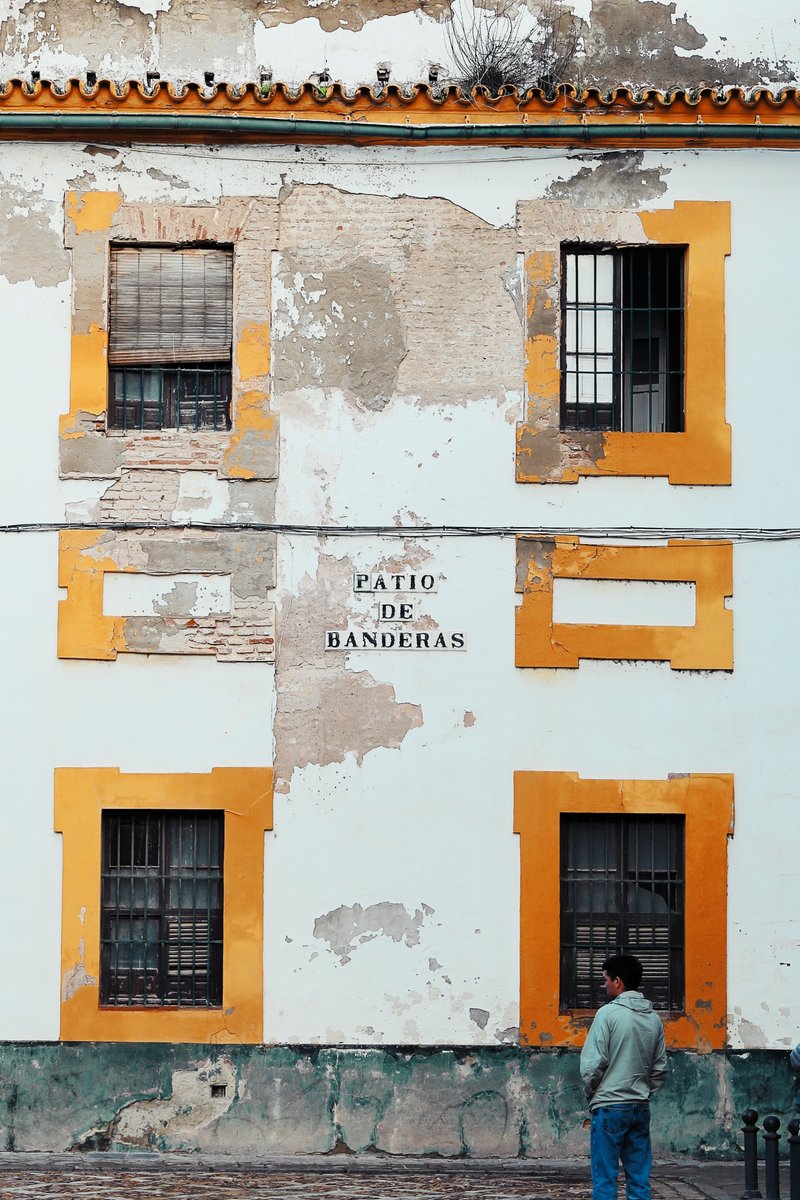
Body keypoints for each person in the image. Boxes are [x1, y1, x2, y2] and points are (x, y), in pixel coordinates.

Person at [580, 954, 668, 1200]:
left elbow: (592, 1066)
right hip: (639, 1106)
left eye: (605, 979)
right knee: (639, 1180)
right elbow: (660, 1068)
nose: (604, 985)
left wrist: (592, 1092)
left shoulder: (607, 1014)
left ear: (617, 981)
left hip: (609, 1105)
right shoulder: (653, 1019)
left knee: (605, 1180)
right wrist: (643, 1090)